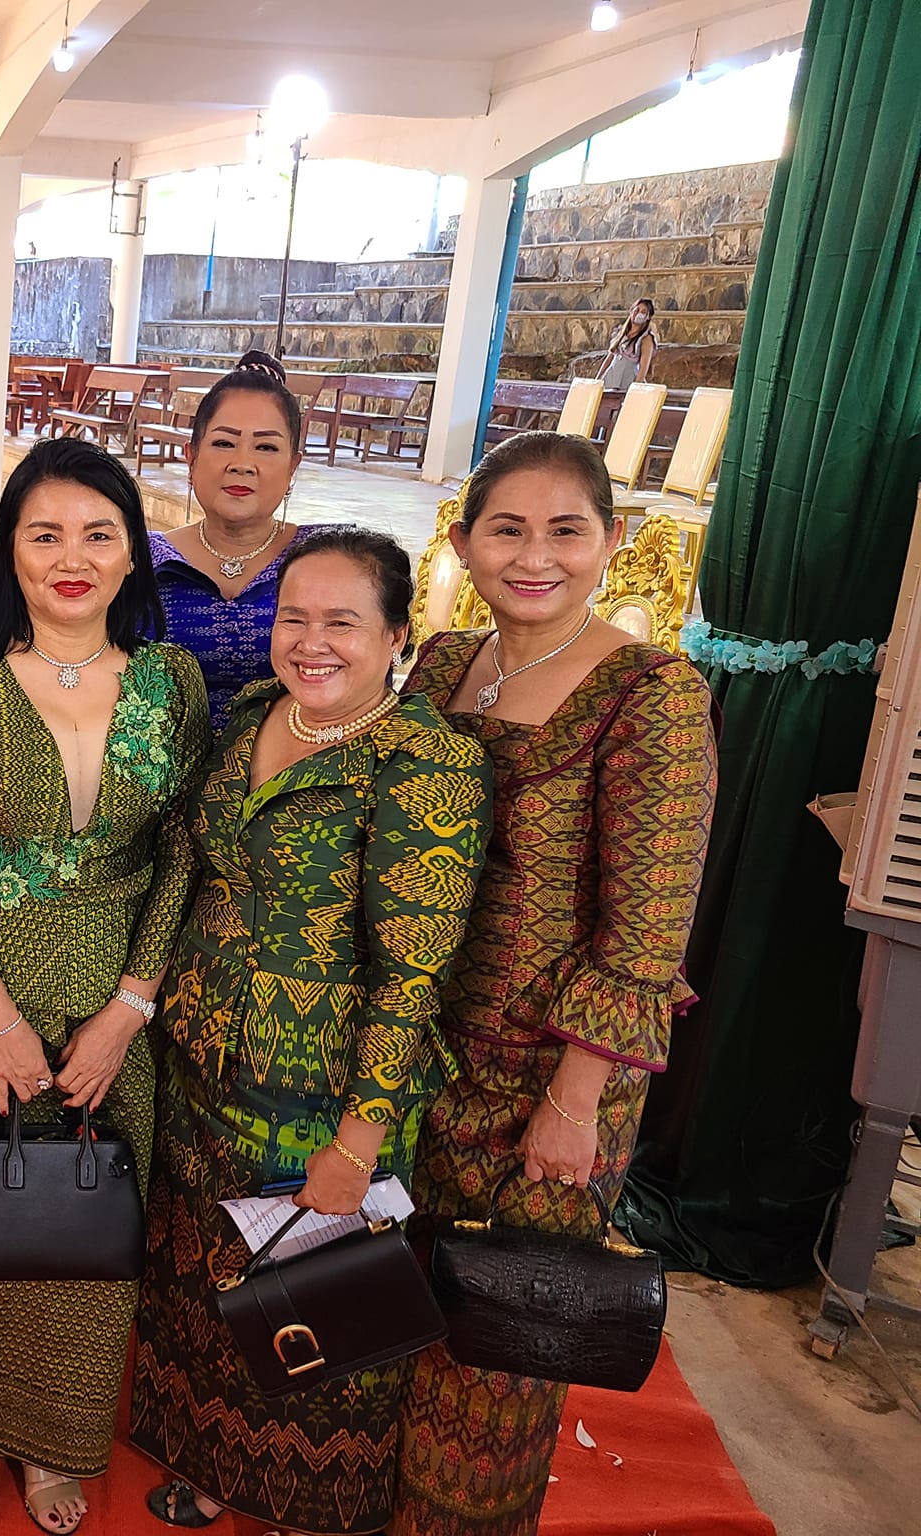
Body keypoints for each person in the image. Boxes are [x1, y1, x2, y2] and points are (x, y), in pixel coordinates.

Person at [130, 530, 491, 1535]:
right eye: (294, 618)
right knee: (208, 1271)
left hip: (321, 1086)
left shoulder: (424, 763)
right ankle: (207, 1458)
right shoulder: (254, 714)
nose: (311, 642)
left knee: (310, 1291)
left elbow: (412, 975)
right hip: (202, 1051)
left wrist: (359, 1138)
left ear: (397, 635)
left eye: (342, 622)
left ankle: (301, 1494)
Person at [391, 431, 717, 1536]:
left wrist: (574, 1100)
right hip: (419, 1051)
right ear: (463, 542)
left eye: (565, 532)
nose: (534, 557)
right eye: (508, 530)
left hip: (544, 1077)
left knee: (495, 1348)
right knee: (395, 1306)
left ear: (611, 541)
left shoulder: (649, 694)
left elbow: (647, 926)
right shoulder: (443, 665)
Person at [0, 438, 210, 1534]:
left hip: (117, 993)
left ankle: (53, 1438)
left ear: (132, 553)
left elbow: (179, 849)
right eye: (44, 535)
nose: (70, 558)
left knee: (85, 1211)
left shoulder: (171, 681)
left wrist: (130, 1007)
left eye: (97, 535)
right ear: (9, 553)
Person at [152, 351, 351, 733]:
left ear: (292, 466)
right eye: (224, 443)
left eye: (266, 447)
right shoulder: (143, 561)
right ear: (191, 457)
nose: (242, 464)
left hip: (296, 762)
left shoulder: (331, 561)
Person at [598, 298, 657, 389]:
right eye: (637, 310)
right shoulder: (622, 332)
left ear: (648, 317)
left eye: (643, 312)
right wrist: (597, 379)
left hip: (628, 379)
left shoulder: (646, 338)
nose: (638, 313)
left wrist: (636, 388)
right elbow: (609, 358)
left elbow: (643, 367)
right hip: (611, 376)